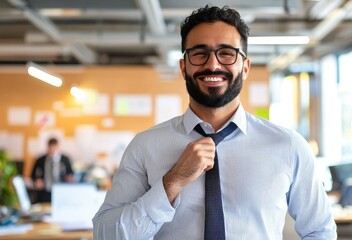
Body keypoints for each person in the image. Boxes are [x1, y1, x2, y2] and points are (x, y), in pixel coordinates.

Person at [93, 5, 337, 239]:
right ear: (183, 67)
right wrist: (172, 182)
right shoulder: (145, 146)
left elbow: (320, 231)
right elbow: (106, 235)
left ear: (245, 67)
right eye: (199, 54)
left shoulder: (289, 145)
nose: (212, 64)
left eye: (227, 54)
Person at [31, 137, 74, 203]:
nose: (52, 150)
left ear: (57, 147)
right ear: (48, 147)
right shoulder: (40, 160)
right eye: (51, 148)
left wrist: (69, 179)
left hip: (61, 192)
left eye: (54, 148)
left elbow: (70, 174)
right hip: (45, 193)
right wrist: (36, 181)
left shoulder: (65, 160)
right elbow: (33, 175)